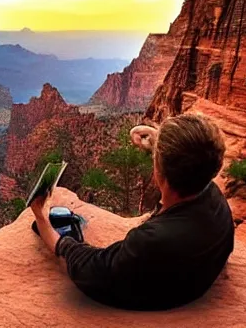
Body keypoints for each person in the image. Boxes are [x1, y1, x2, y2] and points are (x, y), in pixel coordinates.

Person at [30, 113, 234, 311]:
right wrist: (158, 140)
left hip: (162, 298)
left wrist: (42, 220)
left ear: (159, 172)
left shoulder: (151, 240)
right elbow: (192, 159)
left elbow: (88, 268)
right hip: (198, 281)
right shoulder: (213, 197)